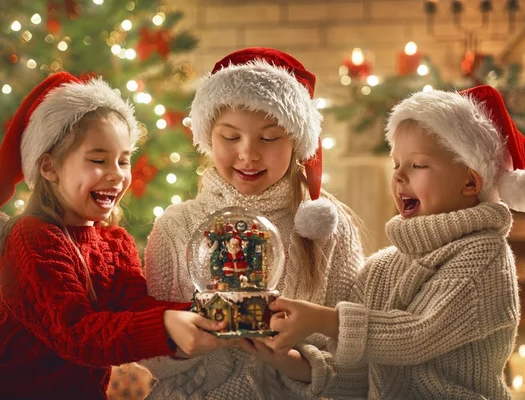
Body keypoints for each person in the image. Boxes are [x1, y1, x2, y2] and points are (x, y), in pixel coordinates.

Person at [0, 72, 227, 399]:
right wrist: (168, 325)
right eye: (98, 160)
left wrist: (210, 311)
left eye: (124, 160)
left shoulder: (116, 242)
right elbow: (76, 334)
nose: (117, 174)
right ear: (49, 168)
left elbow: (136, 310)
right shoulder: (31, 238)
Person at [264, 85, 525, 399]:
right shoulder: (380, 269)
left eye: (418, 165)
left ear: (469, 181)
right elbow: (355, 380)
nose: (398, 177)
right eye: (396, 164)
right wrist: (286, 361)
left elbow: (417, 335)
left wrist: (323, 319)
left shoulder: (485, 255)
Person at [141, 47, 366, 399]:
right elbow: (149, 355)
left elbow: (357, 368)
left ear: (296, 141)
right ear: (207, 137)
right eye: (230, 137)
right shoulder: (176, 227)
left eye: (270, 137)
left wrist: (290, 359)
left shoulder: (327, 228)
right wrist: (182, 341)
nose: (248, 153)